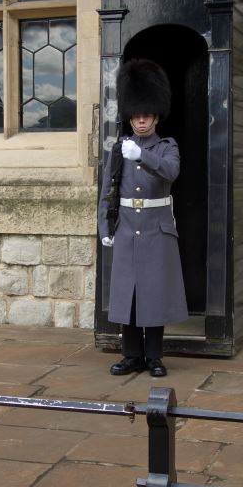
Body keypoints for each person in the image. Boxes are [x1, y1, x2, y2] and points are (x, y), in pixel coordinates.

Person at [98, 58, 188, 377]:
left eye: (145, 115)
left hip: (156, 229)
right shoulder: (119, 149)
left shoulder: (166, 147)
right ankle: (131, 356)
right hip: (126, 227)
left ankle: (154, 358)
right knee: (128, 294)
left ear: (155, 116)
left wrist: (143, 156)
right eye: (136, 116)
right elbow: (108, 190)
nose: (140, 120)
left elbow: (171, 171)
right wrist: (104, 226)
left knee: (153, 293)